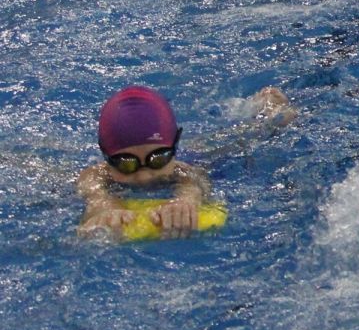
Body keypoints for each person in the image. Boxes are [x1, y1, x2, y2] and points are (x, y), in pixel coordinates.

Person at [77, 84, 293, 239]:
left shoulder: (183, 169)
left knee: (263, 130)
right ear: (105, 156)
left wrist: (186, 201)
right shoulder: (99, 176)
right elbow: (91, 183)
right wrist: (102, 206)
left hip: (203, 156)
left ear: (175, 146)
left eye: (159, 158)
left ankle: (267, 106)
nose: (144, 175)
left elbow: (194, 179)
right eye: (126, 163)